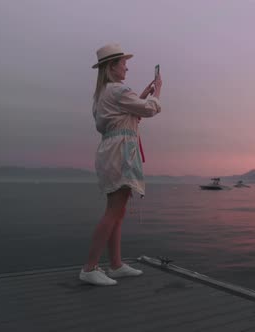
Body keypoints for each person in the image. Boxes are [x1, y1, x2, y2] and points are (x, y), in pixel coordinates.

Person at [79, 43, 162, 286]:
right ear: (112, 67)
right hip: (121, 153)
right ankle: (89, 267)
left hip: (111, 151)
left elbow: (128, 116)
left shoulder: (103, 94)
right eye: (123, 63)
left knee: (118, 210)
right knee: (114, 211)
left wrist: (142, 95)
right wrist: (156, 93)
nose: (127, 67)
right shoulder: (117, 90)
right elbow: (148, 111)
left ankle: (115, 264)